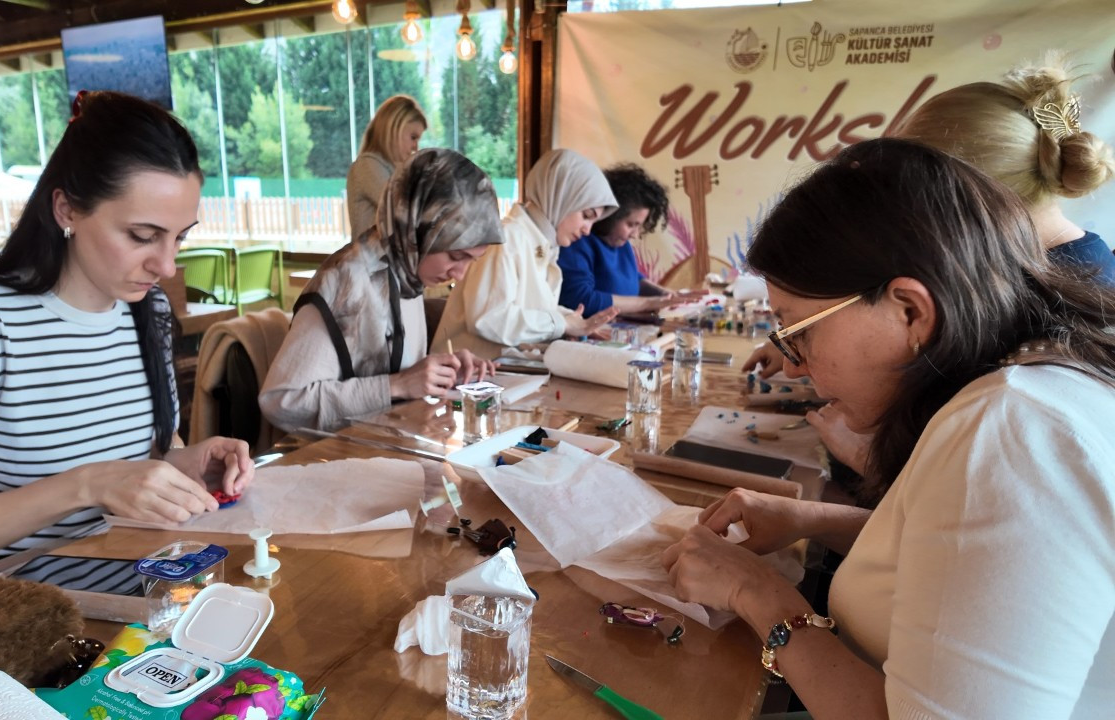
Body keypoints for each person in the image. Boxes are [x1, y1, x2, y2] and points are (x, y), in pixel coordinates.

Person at [662, 138, 1115, 718]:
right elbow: (959, 565)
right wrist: (811, 519)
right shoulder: (1027, 385)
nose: (793, 366)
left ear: (910, 311)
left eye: (799, 330)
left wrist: (754, 592)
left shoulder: (1012, 435)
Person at [0, 92, 254, 568]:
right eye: (142, 236)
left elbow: (141, 456)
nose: (166, 265)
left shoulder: (145, 308)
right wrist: (86, 485)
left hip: (142, 576)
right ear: (67, 210)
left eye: (179, 237)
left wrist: (184, 464)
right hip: (22, 601)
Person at [744, 55, 1115, 479]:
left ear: (963, 204)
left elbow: (959, 482)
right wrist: (805, 334)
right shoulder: (1038, 279)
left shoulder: (1015, 403)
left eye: (899, 197)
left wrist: (875, 465)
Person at [261, 148, 503, 433]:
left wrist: (443, 374)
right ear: (418, 228)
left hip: (382, 444)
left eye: (471, 261)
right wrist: (397, 385)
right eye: (455, 256)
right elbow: (281, 402)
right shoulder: (346, 282)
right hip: (333, 453)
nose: (459, 275)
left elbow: (394, 373)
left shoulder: (405, 272)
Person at [435, 148, 622, 359]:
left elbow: (529, 308)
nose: (587, 230)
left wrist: (574, 321)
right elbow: (488, 319)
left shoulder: (542, 245)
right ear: (561, 196)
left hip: (498, 370)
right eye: (586, 215)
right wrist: (561, 324)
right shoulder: (508, 238)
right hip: (463, 373)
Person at [557, 163, 698, 317]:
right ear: (611, 215)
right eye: (631, 224)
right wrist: (648, 303)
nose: (635, 234)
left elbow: (632, 279)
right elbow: (581, 300)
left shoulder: (619, 243)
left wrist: (667, 295)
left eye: (639, 226)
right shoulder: (576, 241)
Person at [346, 95, 428, 243]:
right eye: (413, 137)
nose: (416, 147)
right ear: (394, 129)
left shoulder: (391, 169)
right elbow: (405, 210)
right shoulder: (367, 165)